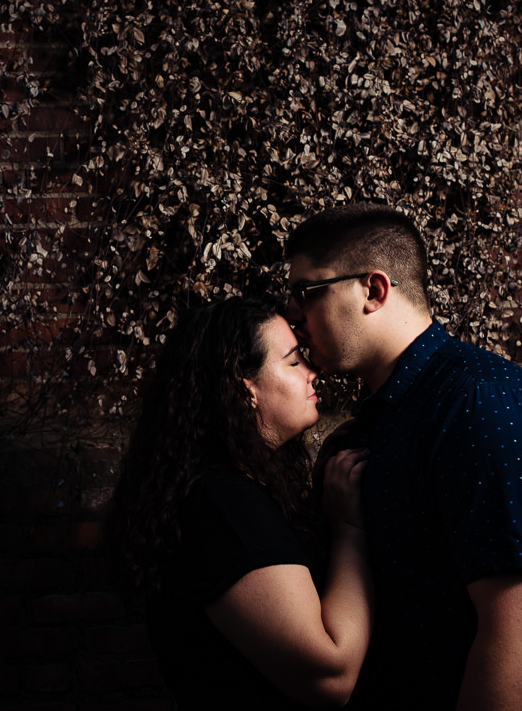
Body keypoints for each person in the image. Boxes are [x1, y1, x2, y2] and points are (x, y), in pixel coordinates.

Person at [284, 202, 522, 711]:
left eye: (306, 292)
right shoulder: (382, 417)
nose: (293, 313)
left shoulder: (480, 403)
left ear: (373, 290)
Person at [107, 297, 372, 709]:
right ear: (243, 386)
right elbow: (330, 677)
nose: (314, 370)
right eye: (293, 361)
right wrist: (351, 531)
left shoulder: (248, 483)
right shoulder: (224, 506)